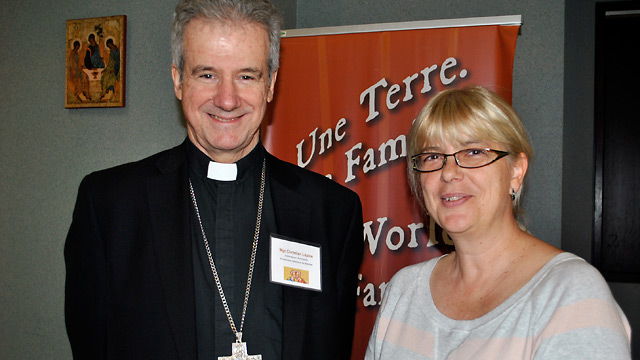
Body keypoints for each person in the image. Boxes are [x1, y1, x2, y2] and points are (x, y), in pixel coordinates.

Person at [64, 1, 364, 359]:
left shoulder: (331, 211)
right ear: (178, 79)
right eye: (207, 74)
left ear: (270, 84)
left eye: (247, 76)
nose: (227, 99)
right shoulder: (110, 207)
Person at [365, 86, 631, 359]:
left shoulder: (571, 294)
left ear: (516, 171)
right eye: (433, 156)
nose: (448, 173)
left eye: (473, 152)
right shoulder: (403, 291)